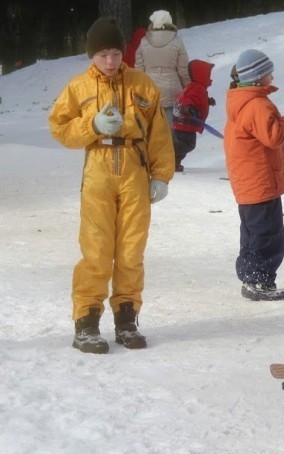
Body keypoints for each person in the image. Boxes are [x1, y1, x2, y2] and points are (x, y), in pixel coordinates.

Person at [48, 17, 175, 354]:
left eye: (115, 53)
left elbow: (159, 135)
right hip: (98, 172)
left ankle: (127, 319)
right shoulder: (78, 88)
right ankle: (87, 322)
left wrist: (161, 175)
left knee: (132, 250)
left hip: (134, 170)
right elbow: (60, 128)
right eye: (103, 54)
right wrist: (91, 124)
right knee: (96, 250)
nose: (109, 61)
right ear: (92, 54)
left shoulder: (142, 85)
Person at [224, 49, 284, 301]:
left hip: (248, 185)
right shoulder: (257, 104)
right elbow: (274, 135)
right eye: (268, 72)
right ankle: (259, 280)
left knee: (252, 233)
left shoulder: (240, 102)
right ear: (258, 77)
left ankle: (251, 277)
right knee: (268, 234)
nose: (272, 76)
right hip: (261, 183)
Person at [135, 9, 190, 170]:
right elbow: (183, 69)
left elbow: (138, 69)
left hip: (149, 89)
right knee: (171, 128)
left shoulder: (144, 41)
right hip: (172, 89)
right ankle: (172, 161)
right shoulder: (177, 41)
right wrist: (187, 88)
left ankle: (149, 160)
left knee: (150, 127)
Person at [171, 59, 216, 171]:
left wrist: (207, 101)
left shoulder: (195, 86)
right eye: (208, 74)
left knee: (186, 144)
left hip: (184, 124)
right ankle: (168, 154)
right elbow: (186, 98)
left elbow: (196, 100)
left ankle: (174, 163)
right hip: (185, 124)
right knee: (188, 145)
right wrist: (188, 107)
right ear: (202, 75)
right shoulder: (197, 88)